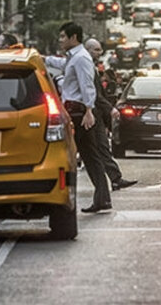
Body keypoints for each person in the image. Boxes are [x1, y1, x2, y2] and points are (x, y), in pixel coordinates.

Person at [44, 22, 112, 214]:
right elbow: (63, 65)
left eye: (63, 37)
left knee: (85, 154)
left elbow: (87, 85)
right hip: (76, 110)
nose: (60, 40)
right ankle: (102, 199)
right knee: (90, 155)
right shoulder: (74, 57)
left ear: (74, 38)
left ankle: (101, 198)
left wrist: (89, 110)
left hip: (79, 112)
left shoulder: (81, 58)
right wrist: (44, 59)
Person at [84, 39, 136, 192]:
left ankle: (115, 179)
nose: (99, 53)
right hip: (88, 113)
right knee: (92, 152)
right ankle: (105, 188)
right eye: (96, 50)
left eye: (100, 50)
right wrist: (110, 109)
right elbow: (94, 94)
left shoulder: (92, 67)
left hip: (95, 113)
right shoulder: (85, 66)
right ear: (88, 50)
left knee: (102, 147)